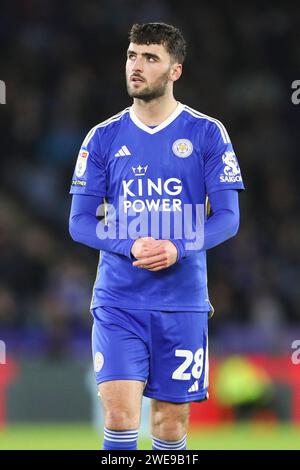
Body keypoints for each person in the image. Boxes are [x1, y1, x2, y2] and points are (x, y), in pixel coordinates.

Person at [69, 22, 245, 451]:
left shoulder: (206, 133)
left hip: (181, 302)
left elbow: (227, 218)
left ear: (174, 71)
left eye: (150, 58)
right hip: (119, 301)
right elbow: (79, 222)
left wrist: (176, 246)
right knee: (121, 416)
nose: (137, 66)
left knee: (169, 424)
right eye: (132, 55)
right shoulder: (103, 137)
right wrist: (128, 244)